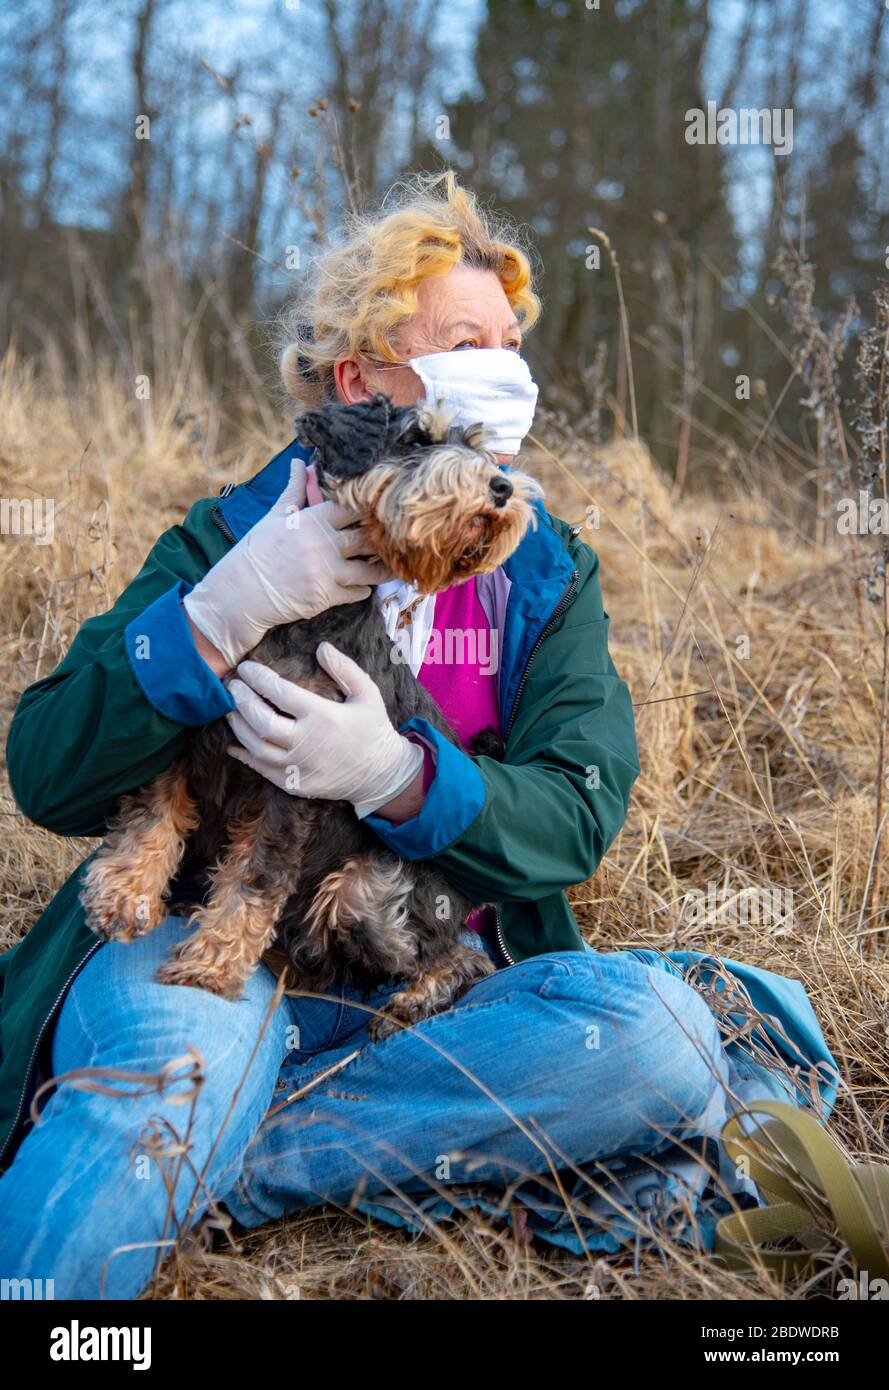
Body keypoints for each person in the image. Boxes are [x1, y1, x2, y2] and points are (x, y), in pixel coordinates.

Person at [0, 171, 834, 1298]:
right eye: (462, 340)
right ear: (363, 379)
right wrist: (213, 618)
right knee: (169, 1070)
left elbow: (578, 811)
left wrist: (403, 776)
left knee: (663, 1038)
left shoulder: (543, 571)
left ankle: (220, 1167)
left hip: (431, 990)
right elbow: (46, 771)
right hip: (210, 951)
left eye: (510, 343)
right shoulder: (228, 536)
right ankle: (184, 1170)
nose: (502, 372)